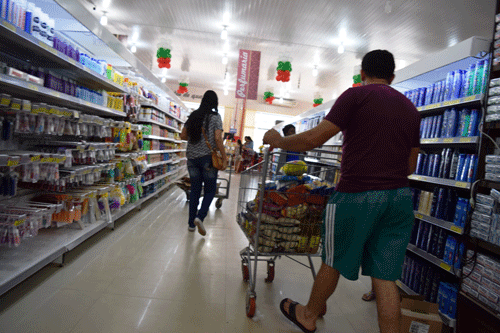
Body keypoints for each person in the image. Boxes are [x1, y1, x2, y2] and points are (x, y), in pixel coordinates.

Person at [264, 50, 420, 333]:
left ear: (362, 74)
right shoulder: (410, 109)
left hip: (356, 194)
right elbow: (411, 165)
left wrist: (278, 140)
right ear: (393, 77)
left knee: (333, 258)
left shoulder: (355, 96)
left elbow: (313, 138)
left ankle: (309, 314)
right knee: (385, 278)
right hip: (398, 200)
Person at [180, 90, 228, 236]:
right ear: (215, 102)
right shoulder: (215, 117)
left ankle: (191, 225)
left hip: (192, 158)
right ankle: (200, 217)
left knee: (194, 190)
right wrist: (224, 157)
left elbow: (183, 135)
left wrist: (196, 141)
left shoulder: (193, 116)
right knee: (209, 190)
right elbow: (218, 138)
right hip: (208, 158)